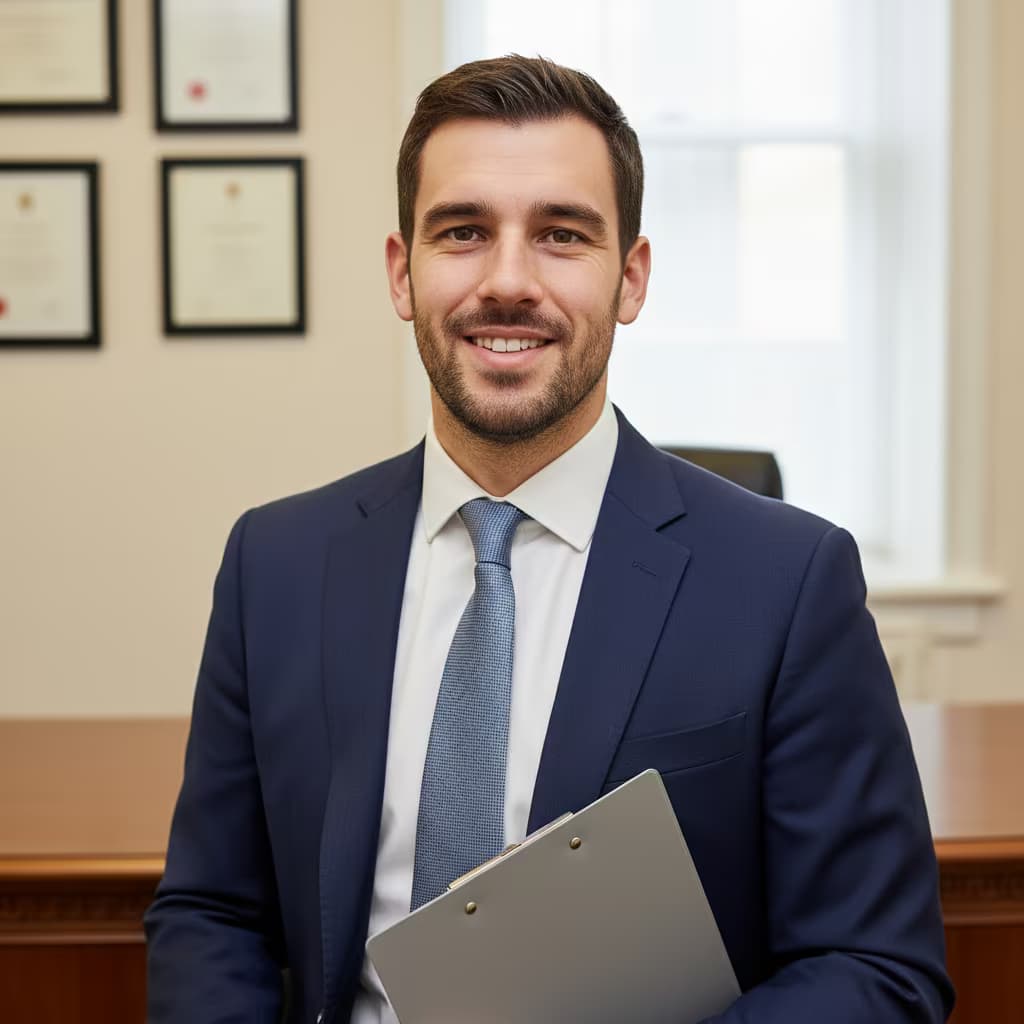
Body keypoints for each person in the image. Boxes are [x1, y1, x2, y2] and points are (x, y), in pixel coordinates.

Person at [145, 55, 954, 1024]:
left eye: (561, 235)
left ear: (631, 276)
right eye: (463, 232)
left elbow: (873, 963)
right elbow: (212, 910)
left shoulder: (789, 583)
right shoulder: (274, 565)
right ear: (404, 272)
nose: (508, 281)